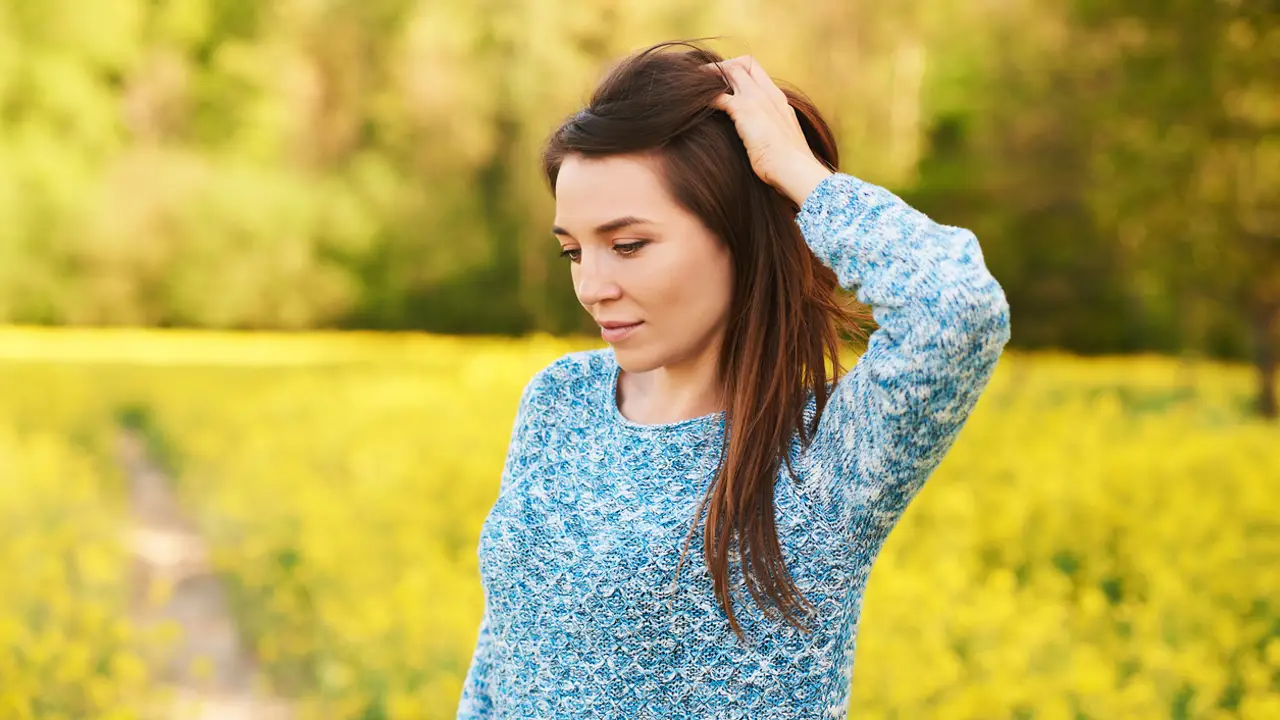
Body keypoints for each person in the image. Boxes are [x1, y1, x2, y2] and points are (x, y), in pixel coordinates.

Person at [457, 40, 1011, 719]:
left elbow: (958, 308)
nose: (592, 286)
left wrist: (799, 176)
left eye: (628, 245)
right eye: (574, 250)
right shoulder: (561, 397)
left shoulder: (826, 456)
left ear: (737, 235)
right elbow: (506, 649)